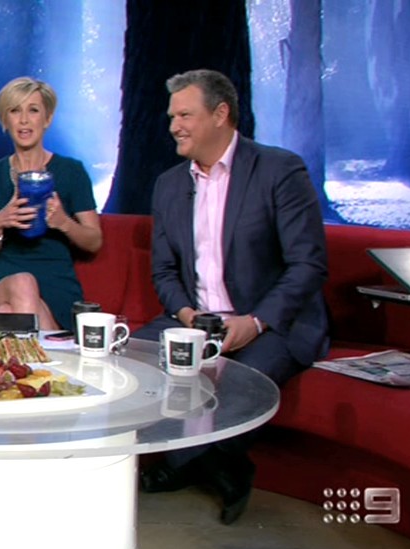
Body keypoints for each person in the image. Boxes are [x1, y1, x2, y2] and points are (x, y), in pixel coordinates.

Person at [133, 70, 329, 524]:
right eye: (171, 117)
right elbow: (163, 271)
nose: (174, 126)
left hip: (272, 321)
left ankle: (206, 465)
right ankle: (204, 463)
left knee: (240, 380)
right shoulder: (169, 184)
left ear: (220, 114)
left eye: (185, 115)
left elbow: (308, 265)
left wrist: (254, 322)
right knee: (129, 363)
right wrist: (186, 313)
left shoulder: (279, 170)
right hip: (195, 319)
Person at [0, 77, 102, 331]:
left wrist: (64, 223)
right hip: (5, 279)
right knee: (23, 283)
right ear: (5, 120)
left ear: (47, 118)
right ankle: (54, 347)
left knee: (5, 313)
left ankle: (40, 350)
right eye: (15, 111)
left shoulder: (71, 171)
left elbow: (94, 241)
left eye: (33, 110)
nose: (24, 120)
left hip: (57, 283)